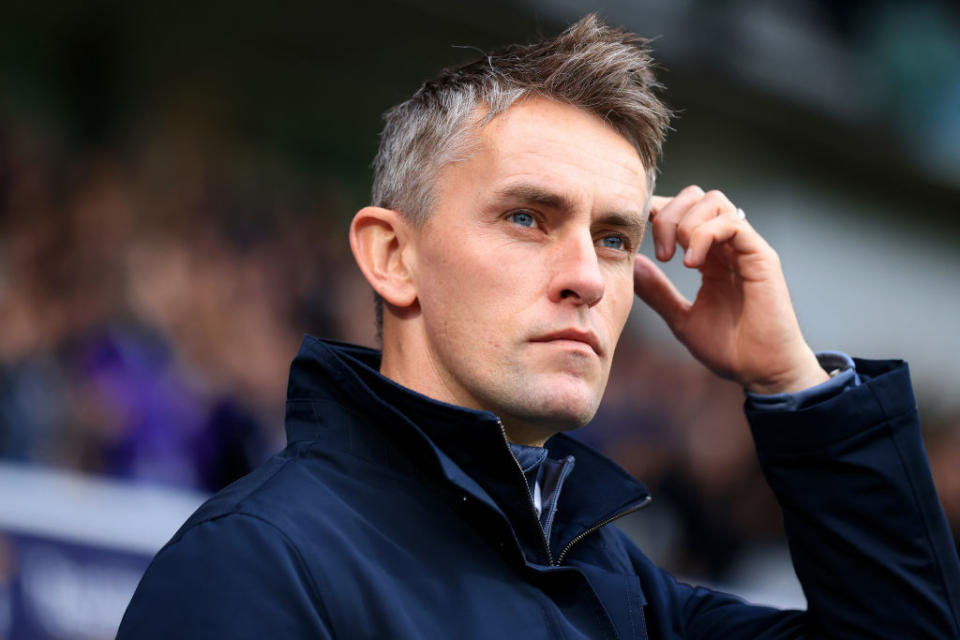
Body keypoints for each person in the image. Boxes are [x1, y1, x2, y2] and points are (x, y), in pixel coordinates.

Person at [118, 15, 960, 639]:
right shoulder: (257, 567)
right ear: (391, 256)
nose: (589, 278)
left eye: (615, 238)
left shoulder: (619, 588)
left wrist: (794, 386)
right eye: (527, 218)